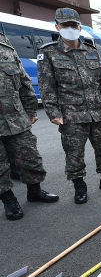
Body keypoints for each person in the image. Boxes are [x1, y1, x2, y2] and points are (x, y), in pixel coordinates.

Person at [38, 8, 101, 204]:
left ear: (79, 27)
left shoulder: (91, 52)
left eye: (73, 25)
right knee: (74, 154)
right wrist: (53, 112)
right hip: (71, 116)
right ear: (57, 26)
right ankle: (79, 187)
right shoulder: (49, 53)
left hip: (96, 113)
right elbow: (46, 86)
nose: (70, 28)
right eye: (65, 25)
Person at [0, 31, 58, 220]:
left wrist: (31, 110)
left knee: (30, 157)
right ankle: (9, 201)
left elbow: (23, 80)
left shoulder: (4, 43)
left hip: (16, 118)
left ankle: (35, 191)